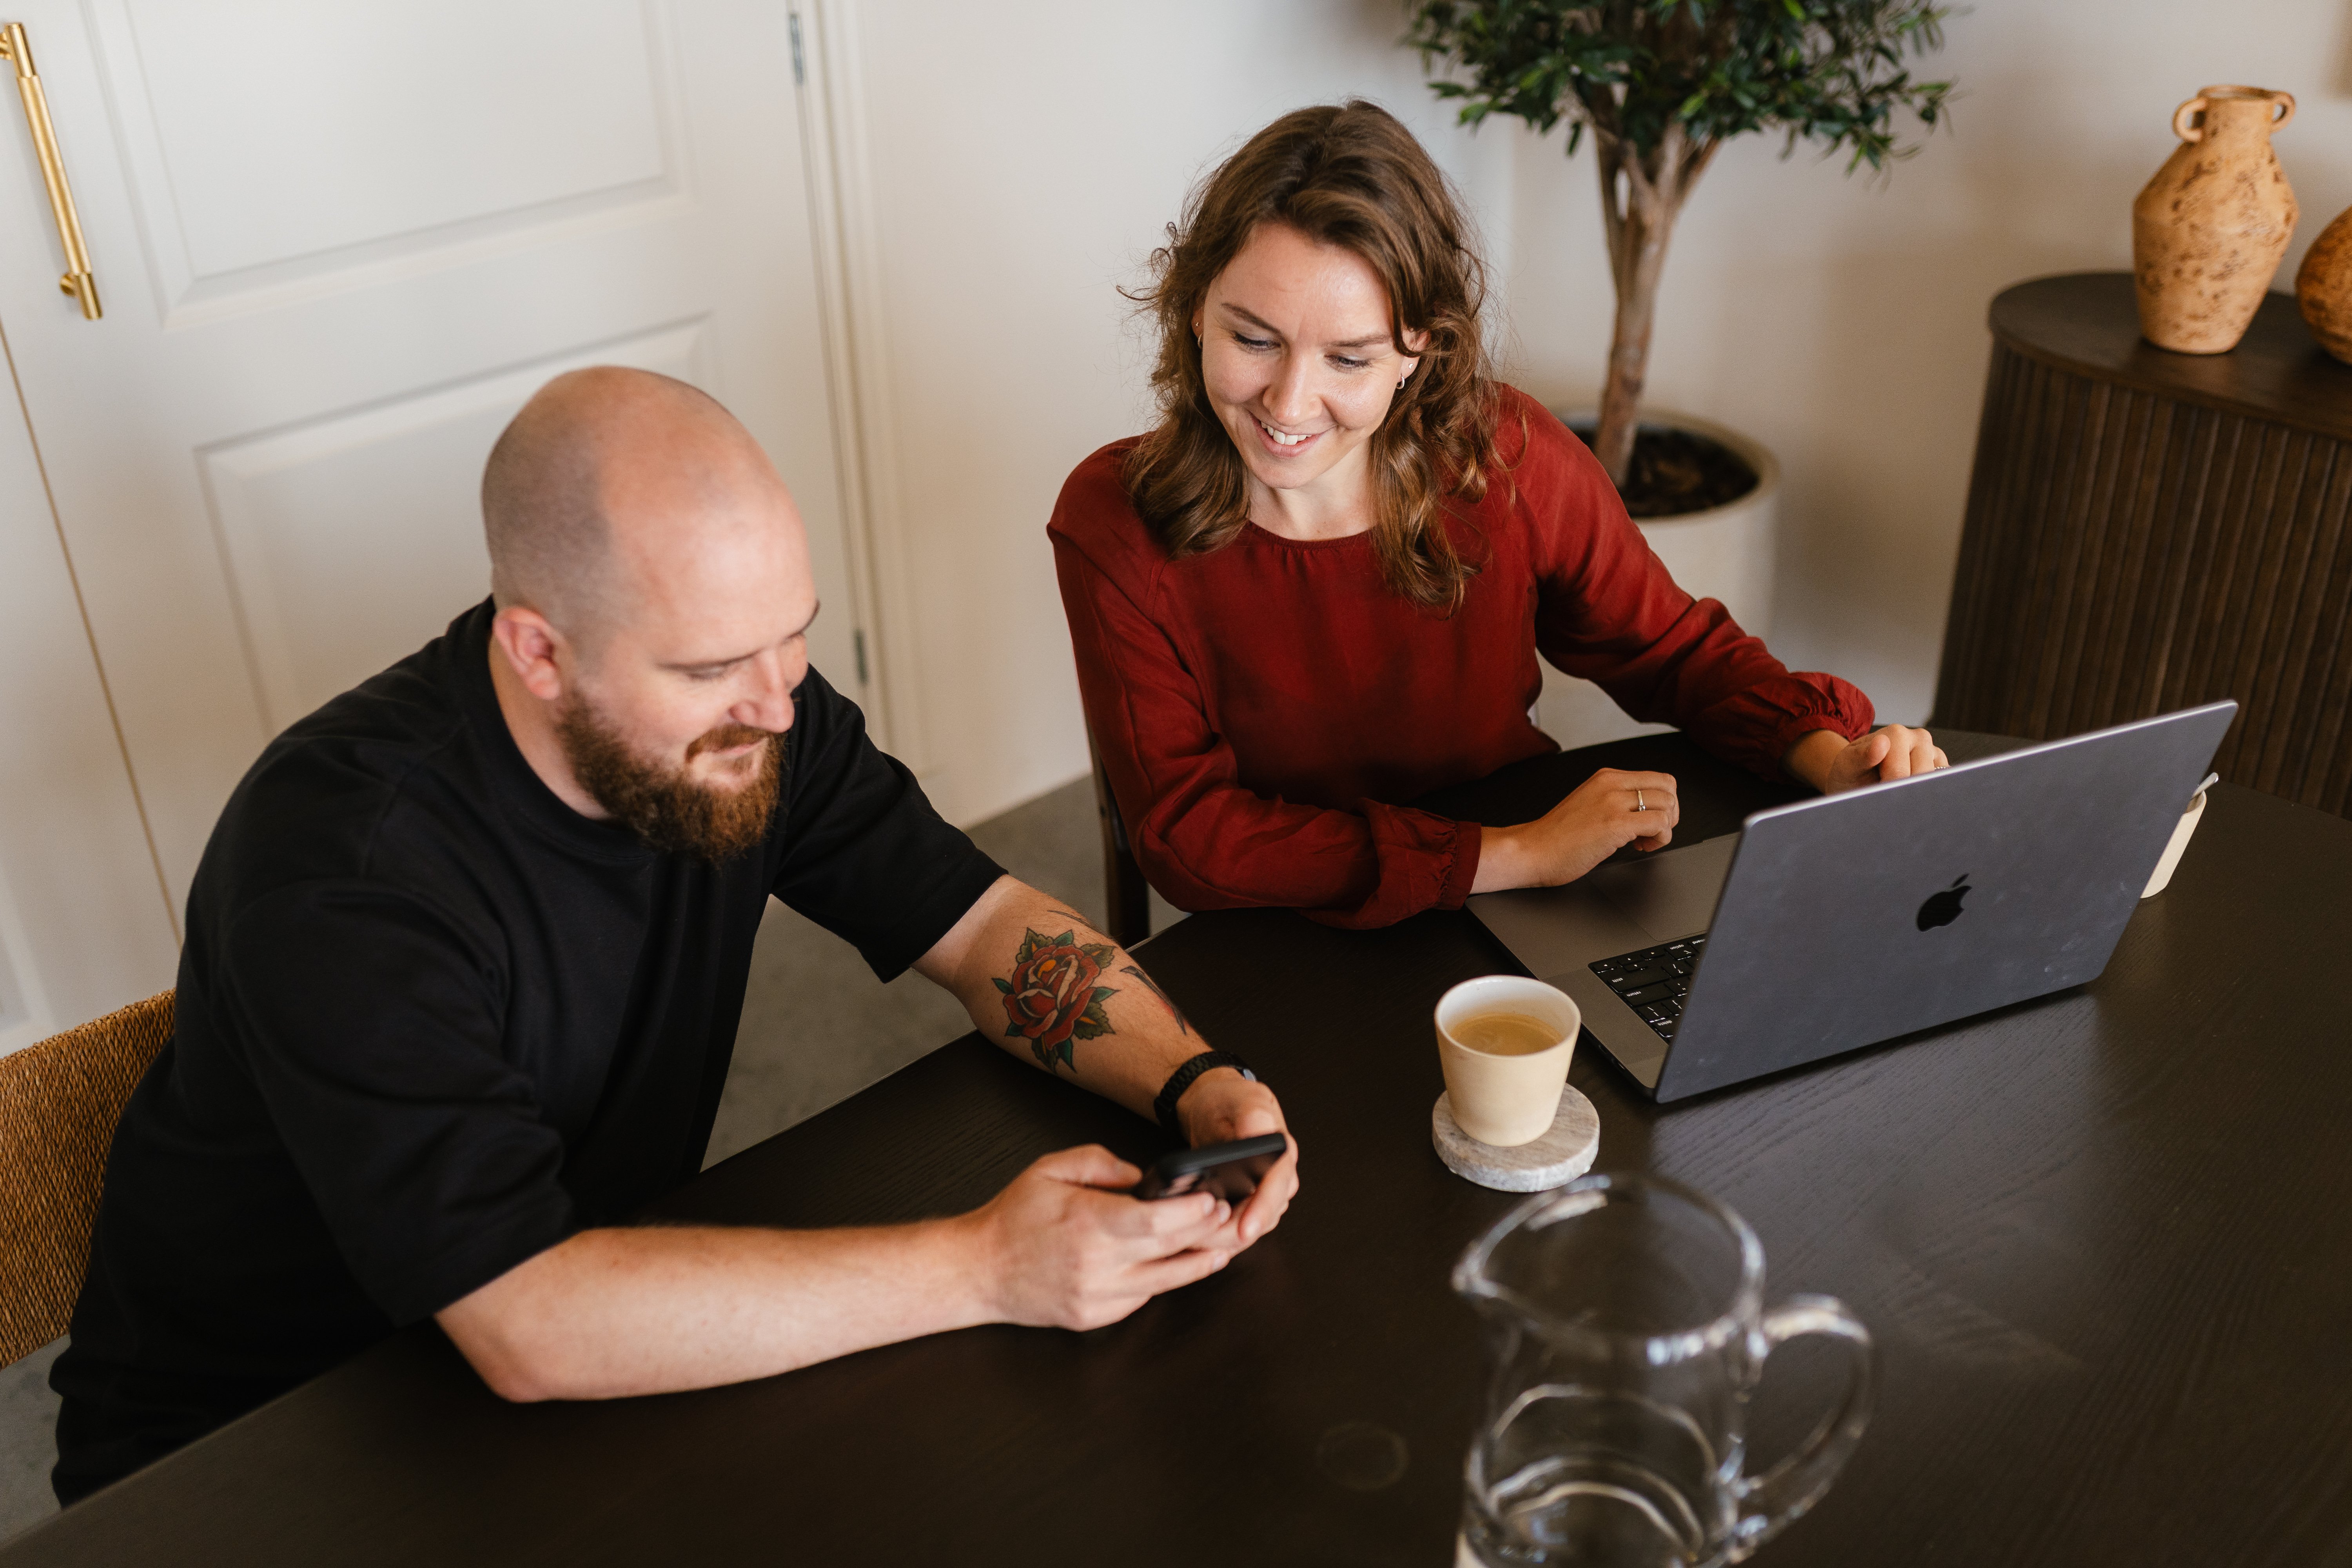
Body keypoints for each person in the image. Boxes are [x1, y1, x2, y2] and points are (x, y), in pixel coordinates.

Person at [50, 368, 1297, 1503]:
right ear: (538, 652)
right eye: (709, 666)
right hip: (254, 1455)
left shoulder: (757, 722)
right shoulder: (344, 874)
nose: (777, 697)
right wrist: (987, 1268)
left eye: (792, 631)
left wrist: (1193, 1081)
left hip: (575, 1325)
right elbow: (527, 1324)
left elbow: (981, 928)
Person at [1051, 102, 1948, 929]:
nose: (1290, 401)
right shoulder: (1114, 521)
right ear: (1193, 308)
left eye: (1349, 359)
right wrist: (1515, 853)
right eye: (1253, 339)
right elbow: (1194, 838)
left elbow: (1669, 648)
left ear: (1418, 351)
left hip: (1514, 906)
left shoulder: (1505, 454)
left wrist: (1829, 754)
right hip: (1294, 927)